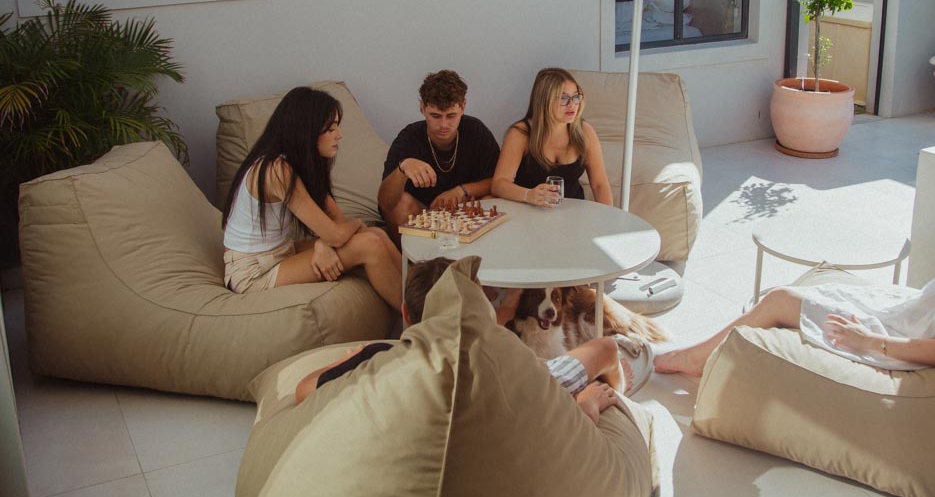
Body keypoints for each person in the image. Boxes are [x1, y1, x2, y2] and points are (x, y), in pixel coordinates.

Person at [655, 167, 935, 376]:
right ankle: (695, 354)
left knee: (778, 299)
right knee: (791, 292)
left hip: (902, 333)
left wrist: (868, 340)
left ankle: (691, 359)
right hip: (912, 309)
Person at [295, 257, 641, 424]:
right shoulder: (506, 361)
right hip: (527, 397)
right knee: (607, 349)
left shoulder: (383, 357)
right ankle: (592, 405)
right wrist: (585, 404)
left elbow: (304, 389)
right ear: (477, 312)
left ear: (404, 313)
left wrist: (354, 357)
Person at [222, 86, 406, 312]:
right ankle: (420, 318)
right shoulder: (276, 170)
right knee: (368, 244)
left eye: (337, 126)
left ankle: (424, 300)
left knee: (375, 233)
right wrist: (352, 225)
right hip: (253, 272)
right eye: (330, 128)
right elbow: (337, 235)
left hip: (281, 252)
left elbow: (336, 225)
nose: (339, 135)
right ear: (306, 132)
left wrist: (323, 242)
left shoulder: (300, 165)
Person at [378, 70, 500, 243]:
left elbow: (498, 180)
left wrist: (461, 191)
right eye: (435, 116)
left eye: (451, 116)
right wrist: (402, 169)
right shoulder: (409, 137)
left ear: (463, 107)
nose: (443, 125)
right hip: (422, 214)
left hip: (464, 211)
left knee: (491, 199)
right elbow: (385, 202)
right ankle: (415, 264)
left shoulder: (476, 131)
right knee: (400, 203)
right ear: (422, 108)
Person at [491, 67, 613, 208]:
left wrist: (610, 219)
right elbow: (499, 184)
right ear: (544, 101)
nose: (572, 104)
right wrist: (528, 194)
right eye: (563, 98)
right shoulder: (521, 133)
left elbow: (600, 185)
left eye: (575, 96)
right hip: (529, 212)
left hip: (574, 213)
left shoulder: (584, 130)